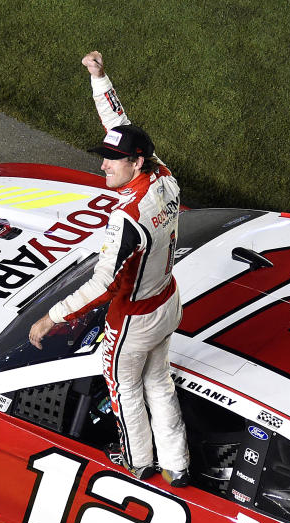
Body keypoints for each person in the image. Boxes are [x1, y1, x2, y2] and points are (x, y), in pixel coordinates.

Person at [29, 51, 190, 487]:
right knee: (159, 381)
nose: (102, 164)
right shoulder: (165, 177)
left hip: (134, 318)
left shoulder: (128, 218)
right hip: (168, 300)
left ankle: (138, 462)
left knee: (125, 391)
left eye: (111, 160)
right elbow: (119, 125)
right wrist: (99, 78)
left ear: (135, 163)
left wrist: (51, 316)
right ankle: (177, 464)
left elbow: (102, 285)